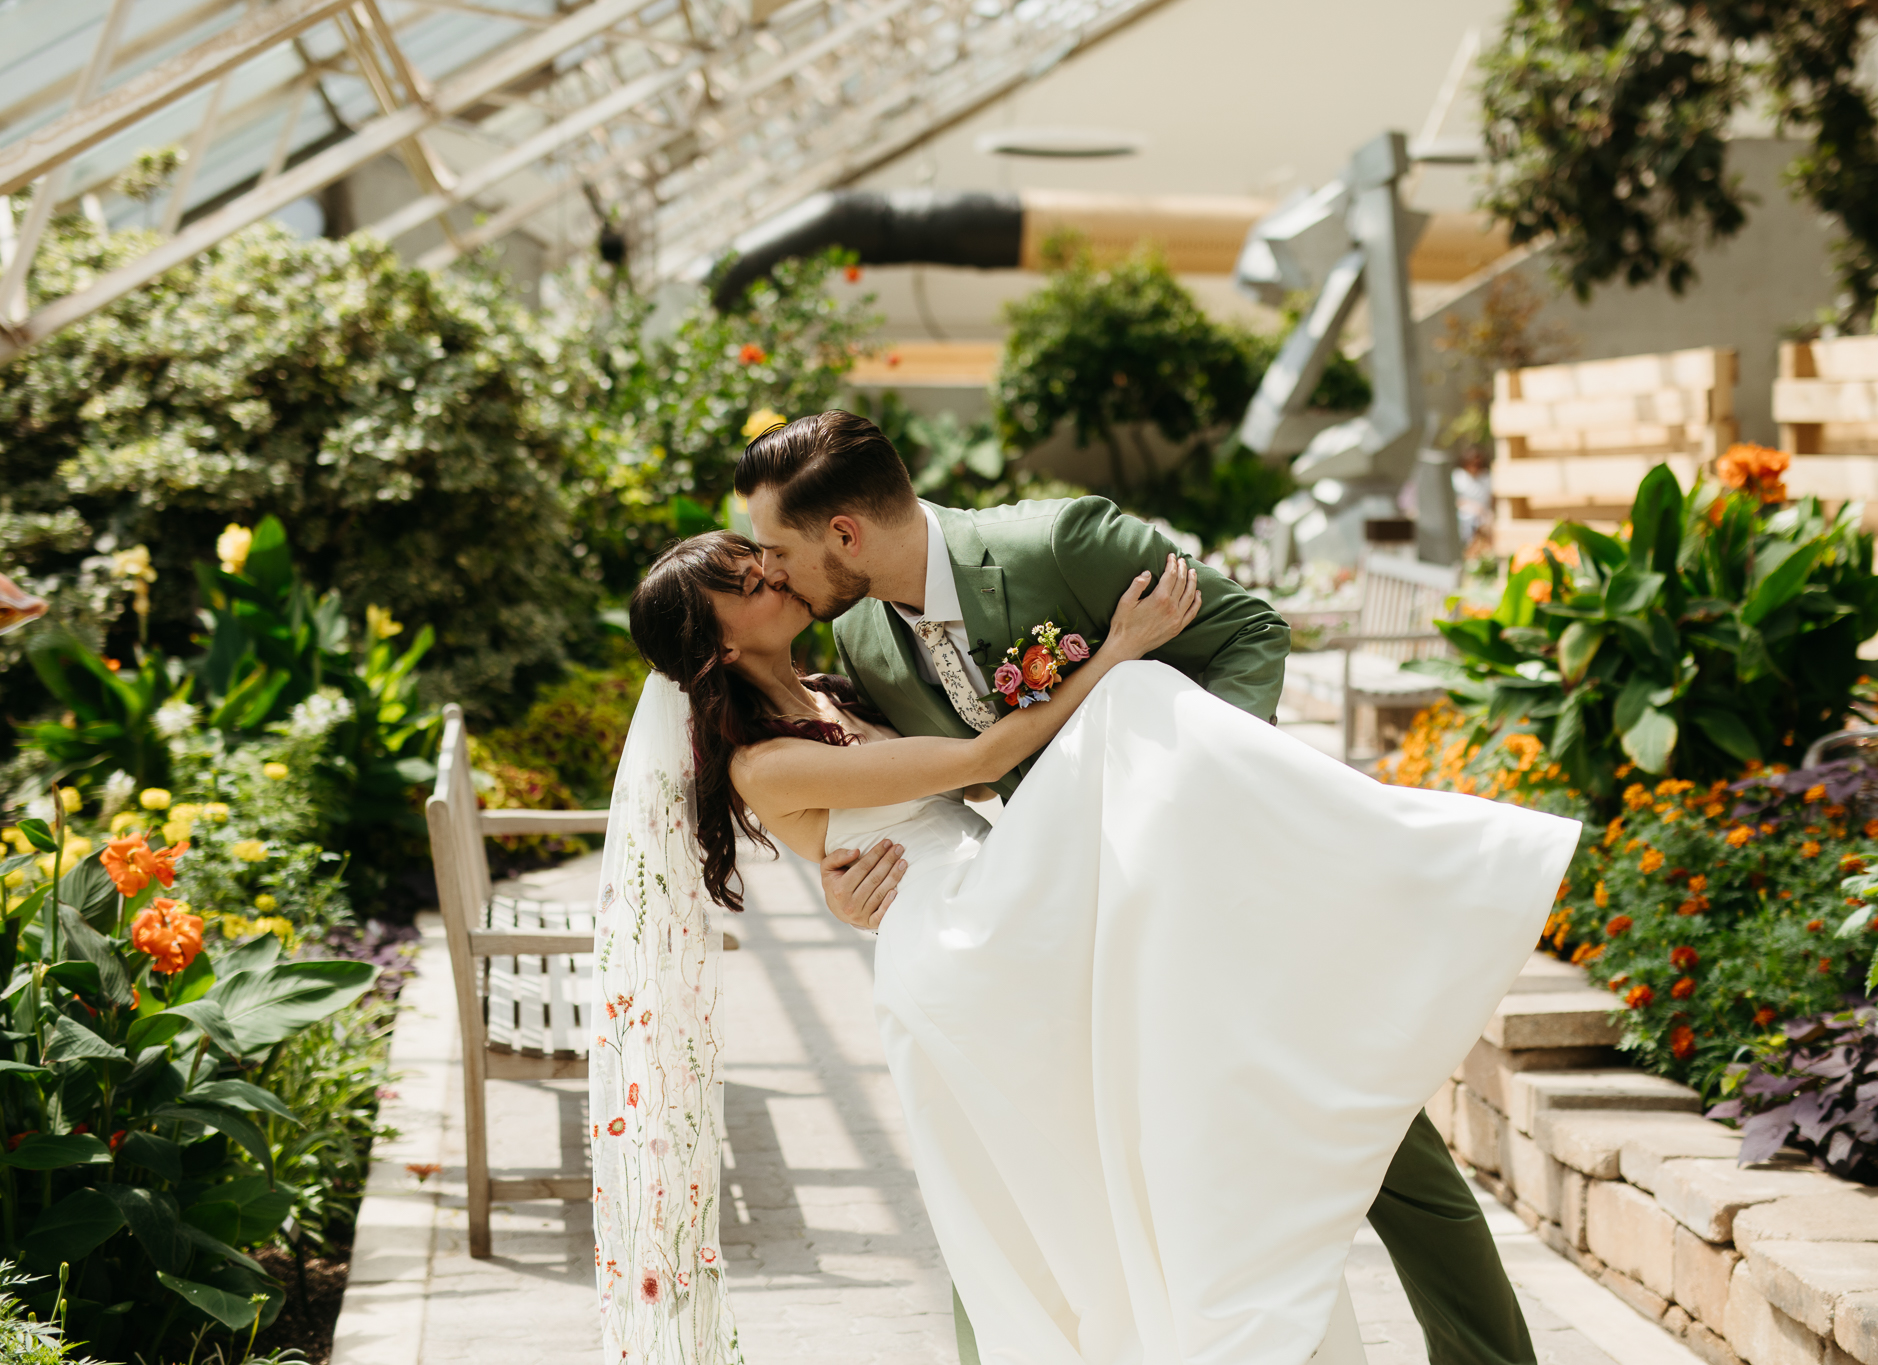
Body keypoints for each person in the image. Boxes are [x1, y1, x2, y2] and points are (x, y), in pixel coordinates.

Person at [591, 413, 1580, 1364]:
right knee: (1035, 1187)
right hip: (1058, 930)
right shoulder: (863, 649)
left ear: (842, 532)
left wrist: (1194, 815)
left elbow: (1248, 633)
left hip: (1188, 885)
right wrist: (838, 884)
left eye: (773, 549)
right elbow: (953, 775)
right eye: (751, 566)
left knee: (1374, 1119)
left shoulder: (1059, 541)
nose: (769, 568)